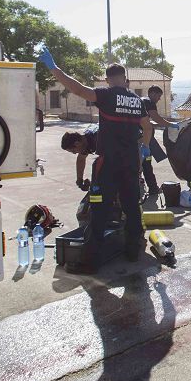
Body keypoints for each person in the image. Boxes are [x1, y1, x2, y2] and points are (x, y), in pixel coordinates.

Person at [39, 47, 152, 265]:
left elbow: (79, 89)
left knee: (99, 208)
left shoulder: (107, 95)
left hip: (108, 162)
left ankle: (90, 259)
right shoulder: (137, 101)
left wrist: (55, 69)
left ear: (108, 80)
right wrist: (144, 148)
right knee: (131, 207)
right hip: (130, 162)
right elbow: (148, 128)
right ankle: (133, 252)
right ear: (125, 79)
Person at [139, 86, 175, 197]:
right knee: (146, 163)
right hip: (143, 139)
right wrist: (170, 125)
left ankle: (143, 184)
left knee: (141, 162)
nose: (159, 99)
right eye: (158, 96)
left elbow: (144, 121)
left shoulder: (141, 100)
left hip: (136, 136)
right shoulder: (149, 102)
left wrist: (157, 125)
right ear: (153, 94)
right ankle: (153, 188)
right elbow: (156, 118)